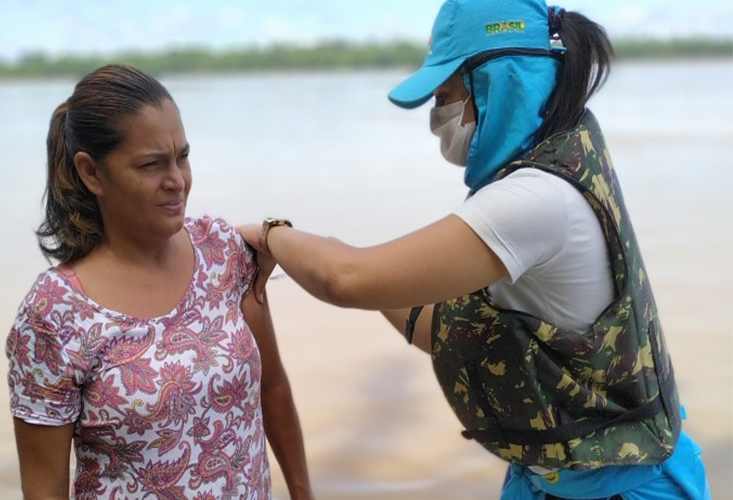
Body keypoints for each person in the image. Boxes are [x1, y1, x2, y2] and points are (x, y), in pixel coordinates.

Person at [238, 1, 710, 499]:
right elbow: (442, 329)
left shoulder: (534, 199)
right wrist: (381, 282)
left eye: (445, 95)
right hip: (560, 479)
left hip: (624, 487)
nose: (437, 118)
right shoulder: (569, 150)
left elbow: (344, 279)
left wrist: (272, 235)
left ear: (498, 83)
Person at [6, 64, 314, 500]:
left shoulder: (222, 252)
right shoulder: (54, 314)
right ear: (91, 172)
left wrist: (303, 493)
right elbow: (44, 486)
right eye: (152, 164)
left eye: (182, 157)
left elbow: (273, 386)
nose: (178, 181)